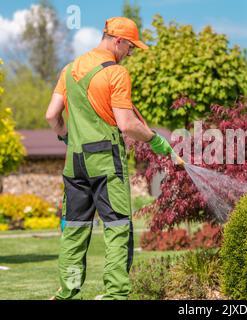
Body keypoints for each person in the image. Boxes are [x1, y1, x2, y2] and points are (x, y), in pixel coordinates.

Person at [45, 17, 173, 300]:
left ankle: (67, 293)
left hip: (74, 164)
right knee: (117, 228)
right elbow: (127, 124)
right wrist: (155, 139)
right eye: (130, 47)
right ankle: (115, 295)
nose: (131, 53)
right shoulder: (116, 74)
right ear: (118, 41)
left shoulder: (69, 69)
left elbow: (51, 115)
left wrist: (66, 137)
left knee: (75, 230)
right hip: (106, 162)